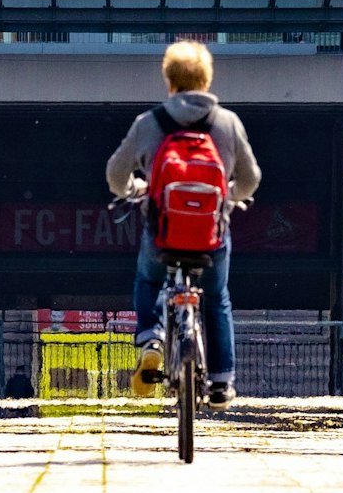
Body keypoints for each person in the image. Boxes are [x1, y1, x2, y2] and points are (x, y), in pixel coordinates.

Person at [105, 40, 261, 406]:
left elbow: (115, 175)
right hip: (212, 234)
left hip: (163, 234)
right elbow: (251, 178)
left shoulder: (149, 123)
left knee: (148, 278)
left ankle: (151, 339)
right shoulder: (227, 122)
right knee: (218, 298)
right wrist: (231, 195)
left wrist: (134, 189)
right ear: (206, 79)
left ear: (169, 79)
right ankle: (222, 382)